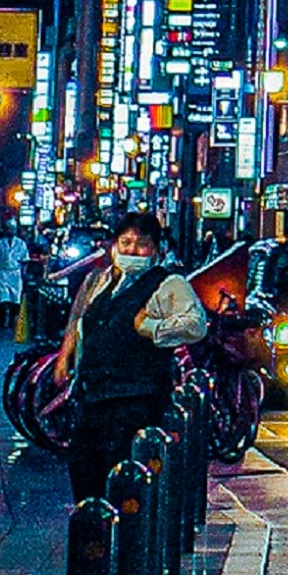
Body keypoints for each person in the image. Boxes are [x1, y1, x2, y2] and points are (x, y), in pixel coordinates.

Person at [62, 212, 204, 497]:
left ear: (156, 248)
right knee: (86, 480)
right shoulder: (105, 281)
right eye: (125, 242)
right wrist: (68, 357)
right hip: (93, 399)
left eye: (141, 244)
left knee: (124, 488)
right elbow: (82, 323)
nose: (131, 250)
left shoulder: (168, 284)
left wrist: (151, 327)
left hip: (136, 401)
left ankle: (126, 541)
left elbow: (195, 326)